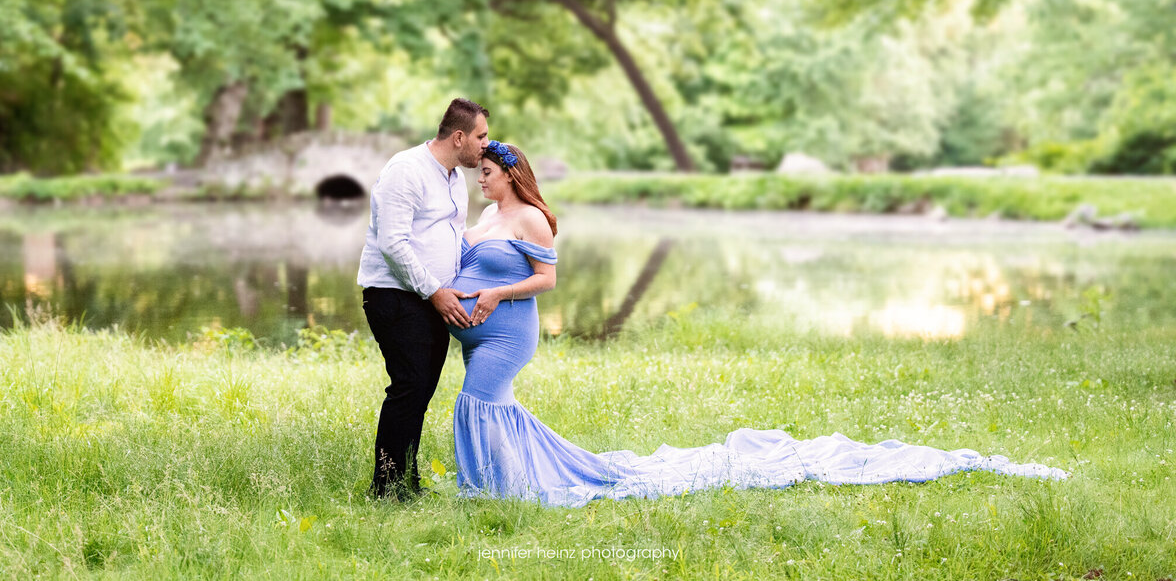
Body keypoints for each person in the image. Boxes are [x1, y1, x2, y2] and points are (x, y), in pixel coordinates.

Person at [445, 141, 1069, 507]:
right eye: (479, 173)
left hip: (508, 331)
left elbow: (548, 281)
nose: (482, 179)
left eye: (489, 172)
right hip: (480, 329)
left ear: (511, 173)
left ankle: (495, 489)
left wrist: (495, 294)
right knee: (489, 407)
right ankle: (508, 480)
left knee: (478, 403)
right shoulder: (482, 219)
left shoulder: (528, 217)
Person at [358, 98, 488, 500]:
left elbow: (451, 237)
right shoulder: (406, 170)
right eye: (481, 136)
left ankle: (405, 482)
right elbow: (393, 244)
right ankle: (386, 489)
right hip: (397, 295)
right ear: (459, 136)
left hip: (433, 299)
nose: (486, 144)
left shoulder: (452, 178)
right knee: (409, 386)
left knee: (421, 390)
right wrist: (435, 292)